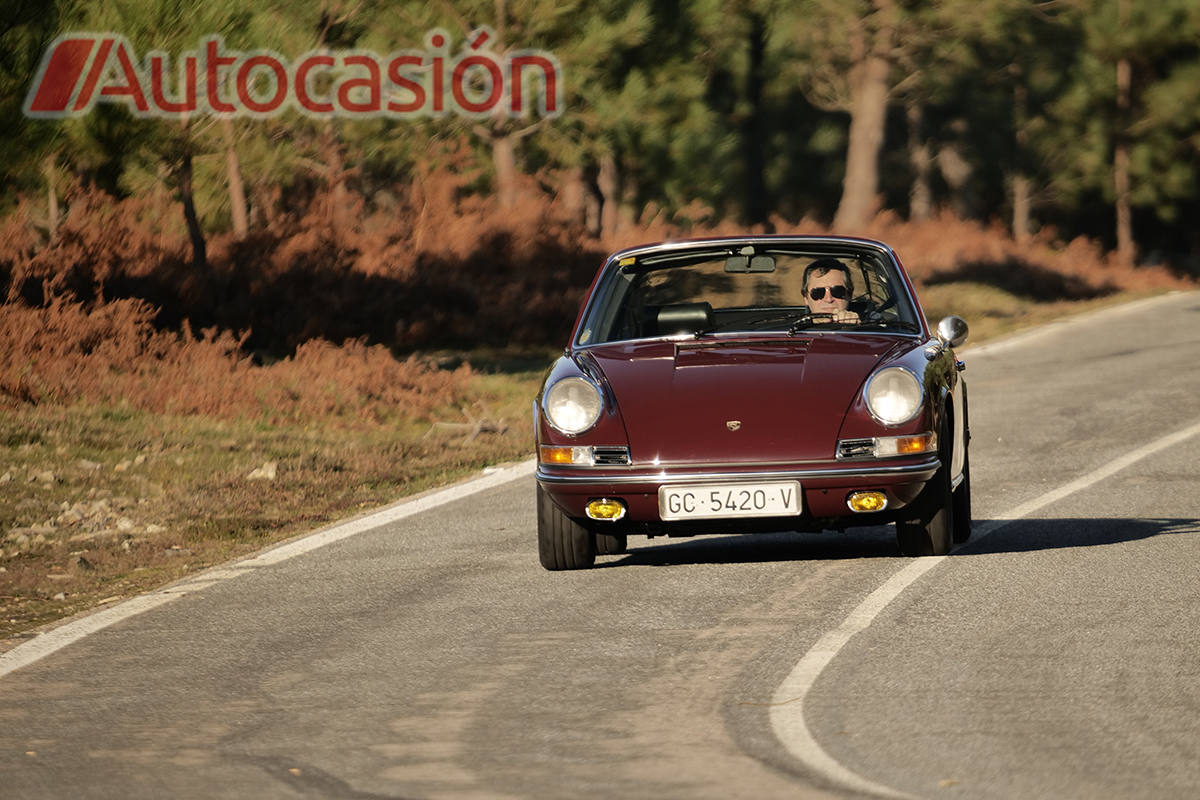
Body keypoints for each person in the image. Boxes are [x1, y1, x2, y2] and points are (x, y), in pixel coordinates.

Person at [801, 258, 859, 324]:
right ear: (805, 298)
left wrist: (856, 328)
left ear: (849, 294)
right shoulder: (791, 331)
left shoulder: (868, 329)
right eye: (818, 292)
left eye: (837, 291)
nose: (829, 299)